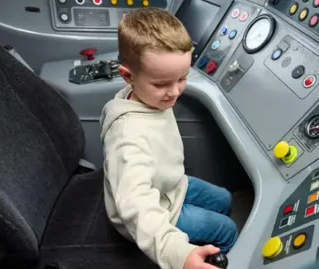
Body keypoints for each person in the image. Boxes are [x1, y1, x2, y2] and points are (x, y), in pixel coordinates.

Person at [99, 8, 238, 269]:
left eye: (182, 78)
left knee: (226, 199)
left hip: (169, 184)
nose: (174, 92)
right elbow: (136, 206)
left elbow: (166, 85)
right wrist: (177, 254)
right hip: (153, 211)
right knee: (227, 230)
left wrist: (162, 85)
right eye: (162, 84)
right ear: (128, 76)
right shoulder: (128, 139)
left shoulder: (145, 93)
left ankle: (198, 245)